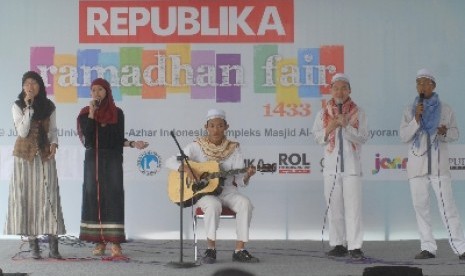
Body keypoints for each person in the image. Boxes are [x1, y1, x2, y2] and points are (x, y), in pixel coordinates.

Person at [165, 109, 259, 263]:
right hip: (205, 192)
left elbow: (241, 180)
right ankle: (210, 249)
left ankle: (240, 250)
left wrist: (248, 174)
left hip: (228, 191)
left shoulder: (234, 148)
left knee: (245, 203)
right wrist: (187, 169)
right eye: (212, 125)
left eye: (220, 126)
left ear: (226, 127)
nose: (216, 129)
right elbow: (170, 161)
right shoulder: (196, 146)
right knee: (213, 204)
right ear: (206, 127)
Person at [77, 78, 148, 257]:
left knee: (113, 195)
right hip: (93, 158)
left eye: (100, 90)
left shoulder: (117, 113)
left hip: (112, 158)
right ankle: (99, 242)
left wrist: (133, 143)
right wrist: (92, 113)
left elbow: (117, 139)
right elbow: (88, 139)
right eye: (93, 90)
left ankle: (115, 243)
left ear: (107, 92)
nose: (96, 93)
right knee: (93, 195)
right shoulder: (85, 113)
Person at [400, 68, 465, 260]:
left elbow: (455, 134)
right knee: (421, 208)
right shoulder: (409, 110)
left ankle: (461, 248)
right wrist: (416, 119)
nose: (422, 86)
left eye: (426, 82)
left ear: (433, 86)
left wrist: (444, 131)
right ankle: (428, 247)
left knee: (448, 208)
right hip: (417, 167)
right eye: (419, 83)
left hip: (438, 167)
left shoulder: (446, 109)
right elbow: (404, 136)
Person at [4, 71, 66, 259]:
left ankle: (54, 244)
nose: (30, 86)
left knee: (50, 198)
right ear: (23, 87)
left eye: (34, 83)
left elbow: (53, 130)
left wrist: (54, 143)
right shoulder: (17, 106)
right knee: (28, 198)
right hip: (24, 157)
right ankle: (33, 245)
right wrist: (29, 108)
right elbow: (22, 132)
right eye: (27, 83)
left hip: (45, 154)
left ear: (40, 86)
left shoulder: (49, 106)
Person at [312, 73, 369, 260]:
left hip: (352, 168)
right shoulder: (323, 112)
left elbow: (363, 137)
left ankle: (354, 246)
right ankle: (338, 244)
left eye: (344, 88)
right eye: (336, 88)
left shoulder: (358, 112)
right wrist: (332, 126)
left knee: (353, 209)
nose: (340, 91)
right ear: (331, 90)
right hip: (331, 168)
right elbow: (318, 137)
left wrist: (346, 126)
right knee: (334, 207)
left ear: (349, 90)